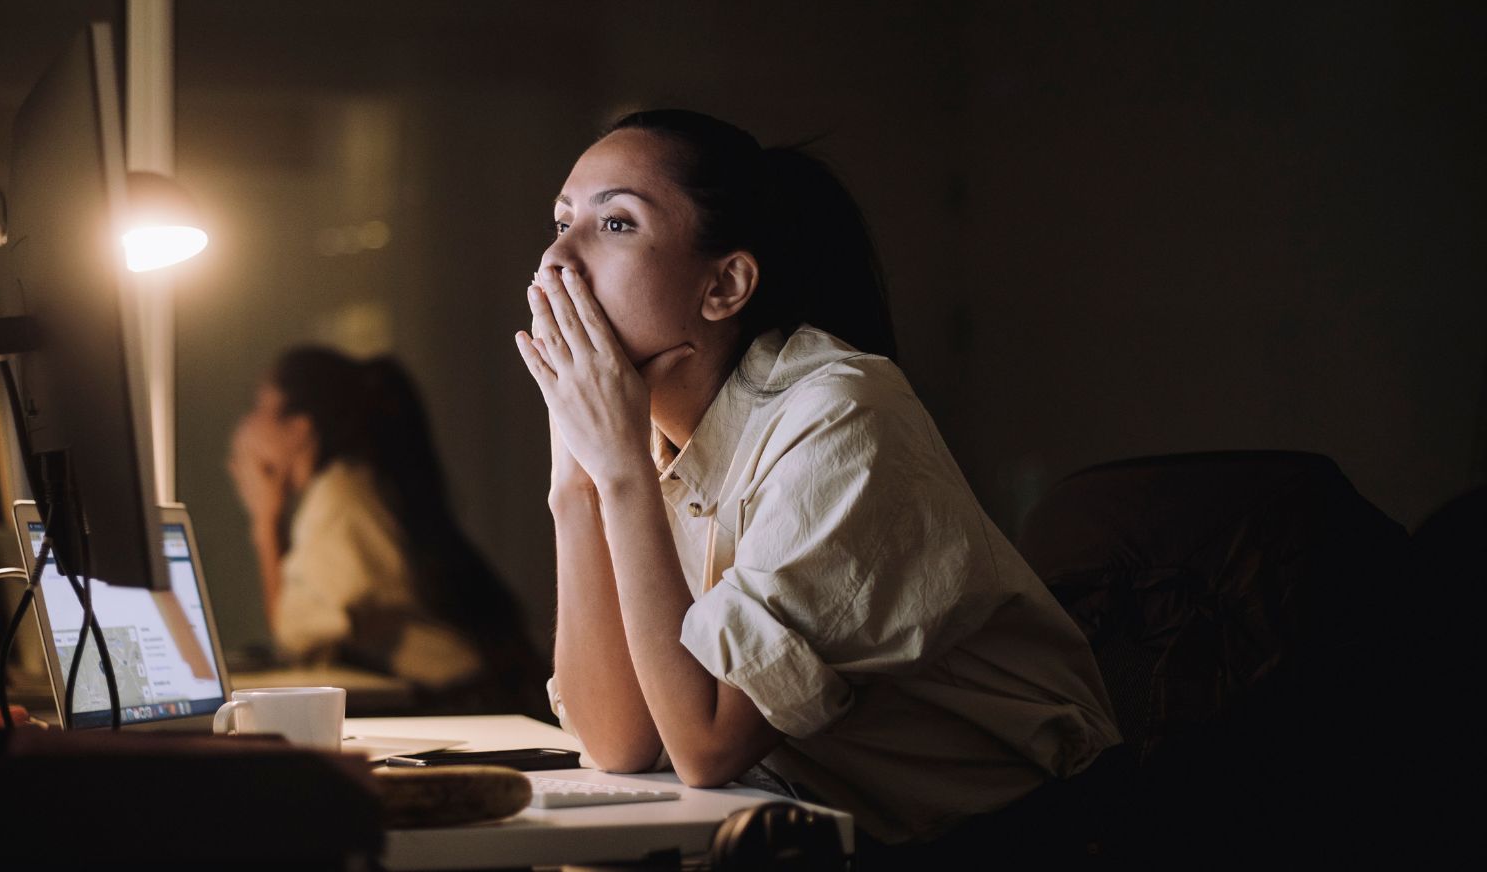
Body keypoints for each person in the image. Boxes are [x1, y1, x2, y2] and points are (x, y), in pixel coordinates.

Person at [514, 109, 1120, 852]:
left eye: (615, 225)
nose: (556, 262)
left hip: (1019, 839)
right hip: (817, 833)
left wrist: (618, 475)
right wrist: (574, 483)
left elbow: (705, 746)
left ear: (725, 285)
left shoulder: (841, 413)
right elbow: (620, 744)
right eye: (560, 221)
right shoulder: (646, 441)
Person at [228, 346, 546, 715]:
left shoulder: (339, 497)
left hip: (464, 703)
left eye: (260, 408)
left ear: (300, 428)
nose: (246, 426)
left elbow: (296, 635)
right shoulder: (356, 484)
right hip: (472, 695)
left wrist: (265, 523)